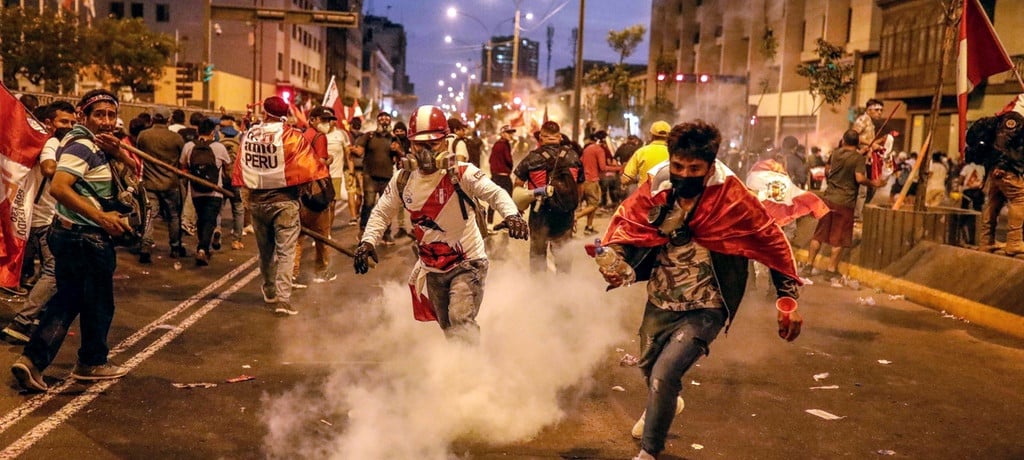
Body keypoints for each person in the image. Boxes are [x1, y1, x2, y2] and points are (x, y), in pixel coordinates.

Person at [594, 120, 803, 460]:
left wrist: (787, 297)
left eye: (694, 168)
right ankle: (665, 401)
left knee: (665, 373)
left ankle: (649, 452)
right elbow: (628, 227)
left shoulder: (732, 196)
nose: (684, 173)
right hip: (662, 298)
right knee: (650, 369)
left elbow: (772, 241)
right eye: (679, 165)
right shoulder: (658, 184)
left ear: (709, 168)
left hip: (709, 303)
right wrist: (617, 260)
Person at [353, 105, 528, 343]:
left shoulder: (463, 172)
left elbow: (496, 194)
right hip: (432, 267)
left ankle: (471, 375)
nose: (425, 152)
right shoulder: (403, 179)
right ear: (410, 144)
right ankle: (455, 370)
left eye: (432, 144)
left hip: (468, 261)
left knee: (460, 321)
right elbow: (382, 212)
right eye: (418, 145)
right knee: (447, 326)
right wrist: (367, 241)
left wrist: (512, 215)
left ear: (445, 142)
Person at [11, 89, 139, 392]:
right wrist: (101, 217)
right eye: (99, 115)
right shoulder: (81, 147)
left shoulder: (100, 146)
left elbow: (135, 173)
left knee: (69, 300)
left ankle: (32, 361)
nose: (107, 121)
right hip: (84, 238)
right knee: (98, 305)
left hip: (78, 236)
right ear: (84, 116)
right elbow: (59, 187)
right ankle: (90, 363)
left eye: (111, 114)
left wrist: (118, 152)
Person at [231, 96, 329, 316]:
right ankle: (283, 300)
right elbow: (309, 169)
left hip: (257, 202)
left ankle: (269, 291)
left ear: (265, 112)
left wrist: (246, 197)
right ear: (285, 113)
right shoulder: (293, 136)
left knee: (265, 252)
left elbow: (241, 167)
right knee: (286, 252)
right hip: (285, 203)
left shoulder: (249, 135)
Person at [1, 102, 76, 342]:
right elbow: (48, 168)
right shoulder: (52, 143)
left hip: (35, 219)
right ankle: (21, 323)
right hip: (44, 220)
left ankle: (35, 317)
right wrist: (75, 169)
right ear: (49, 124)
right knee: (55, 270)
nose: (70, 127)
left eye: (73, 122)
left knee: (50, 271)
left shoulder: (46, 143)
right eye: (64, 122)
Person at [803, 130, 886, 283]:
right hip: (845, 202)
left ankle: (808, 265)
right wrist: (873, 183)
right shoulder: (858, 158)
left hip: (828, 199)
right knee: (838, 239)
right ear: (857, 143)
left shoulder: (835, 153)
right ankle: (831, 270)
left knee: (819, 234)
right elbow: (860, 178)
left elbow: (828, 171)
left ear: (844, 140)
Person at [513, 121, 583, 273]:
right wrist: (573, 208)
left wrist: (520, 207)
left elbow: (517, 184)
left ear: (542, 137)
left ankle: (540, 291)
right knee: (563, 256)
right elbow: (579, 186)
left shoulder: (533, 157)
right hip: (565, 214)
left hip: (540, 212)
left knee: (537, 255)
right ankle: (563, 290)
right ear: (559, 137)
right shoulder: (573, 156)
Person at [136, 108, 186, 263]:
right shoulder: (176, 138)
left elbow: (139, 153)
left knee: (149, 216)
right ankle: (175, 247)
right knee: (173, 216)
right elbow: (181, 160)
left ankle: (145, 246)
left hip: (150, 183)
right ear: (168, 119)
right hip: (171, 183)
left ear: (153, 119)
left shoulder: (144, 136)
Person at [179, 118, 231, 266]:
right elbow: (228, 167)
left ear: (197, 131)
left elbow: (183, 166)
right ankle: (202, 248)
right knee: (210, 221)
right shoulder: (219, 148)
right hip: (215, 192)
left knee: (201, 220)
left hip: (196, 190)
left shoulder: (189, 146)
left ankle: (204, 248)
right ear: (213, 132)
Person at [292, 107, 336, 284]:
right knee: (321, 235)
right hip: (315, 194)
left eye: (328, 120)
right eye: (323, 120)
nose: (327, 124)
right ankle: (321, 270)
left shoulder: (301, 136)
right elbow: (320, 163)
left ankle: (292, 273)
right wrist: (329, 159)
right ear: (313, 120)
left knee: (297, 237)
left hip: (298, 193)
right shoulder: (320, 137)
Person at [353, 112, 399, 241]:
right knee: (368, 204)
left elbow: (401, 155)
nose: (384, 121)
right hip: (370, 176)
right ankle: (363, 230)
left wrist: (397, 150)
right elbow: (359, 150)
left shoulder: (393, 138)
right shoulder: (369, 136)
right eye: (381, 119)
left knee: (386, 206)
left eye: (387, 119)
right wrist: (356, 151)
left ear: (389, 122)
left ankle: (386, 233)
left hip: (387, 177)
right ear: (378, 121)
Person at [577, 130, 620, 235]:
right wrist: (618, 168)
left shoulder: (587, 148)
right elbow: (603, 167)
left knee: (590, 204)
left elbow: (580, 161)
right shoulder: (599, 150)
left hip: (584, 180)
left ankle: (589, 227)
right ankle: (576, 217)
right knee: (594, 205)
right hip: (592, 180)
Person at [622, 121, 671, 186]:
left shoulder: (641, 152)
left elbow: (625, 179)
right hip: (667, 194)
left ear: (651, 135)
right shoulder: (674, 153)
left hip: (645, 194)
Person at [487, 125, 516, 223]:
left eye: (511, 133)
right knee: (508, 201)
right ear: (503, 134)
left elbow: (490, 160)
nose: (511, 135)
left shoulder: (497, 144)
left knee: (493, 200)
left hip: (495, 176)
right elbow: (508, 160)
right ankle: (507, 223)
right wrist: (509, 167)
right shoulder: (504, 144)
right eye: (509, 133)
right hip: (503, 177)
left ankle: (489, 223)